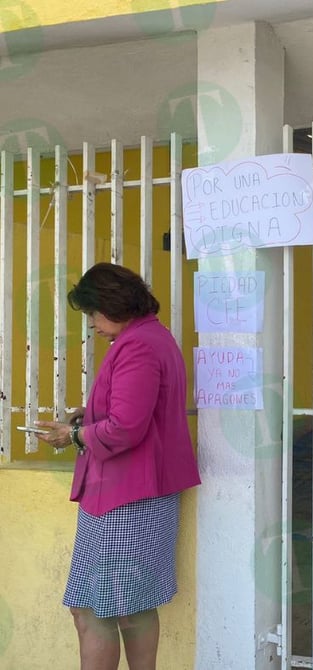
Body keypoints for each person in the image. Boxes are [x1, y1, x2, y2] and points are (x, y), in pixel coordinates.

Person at [36, 262, 201, 670]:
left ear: (112, 304)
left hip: (124, 498)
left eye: (93, 313)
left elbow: (126, 427)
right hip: (139, 493)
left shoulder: (138, 346)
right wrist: (88, 415)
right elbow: (136, 413)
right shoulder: (154, 338)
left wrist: (72, 436)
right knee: (132, 609)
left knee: (94, 612)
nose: (91, 323)